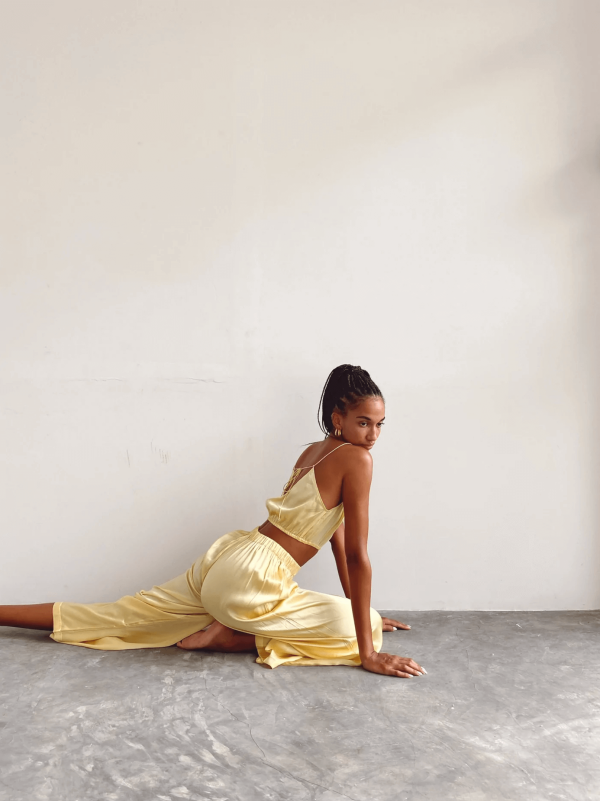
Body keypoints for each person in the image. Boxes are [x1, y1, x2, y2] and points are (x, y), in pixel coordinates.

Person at [0, 364, 425, 679]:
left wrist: (358, 607)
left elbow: (337, 538)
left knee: (117, 616)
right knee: (362, 631)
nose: (372, 435)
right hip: (253, 581)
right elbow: (357, 554)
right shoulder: (357, 459)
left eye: (380, 425)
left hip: (229, 558)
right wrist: (367, 641)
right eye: (363, 422)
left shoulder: (313, 453)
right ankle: (226, 637)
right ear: (338, 418)